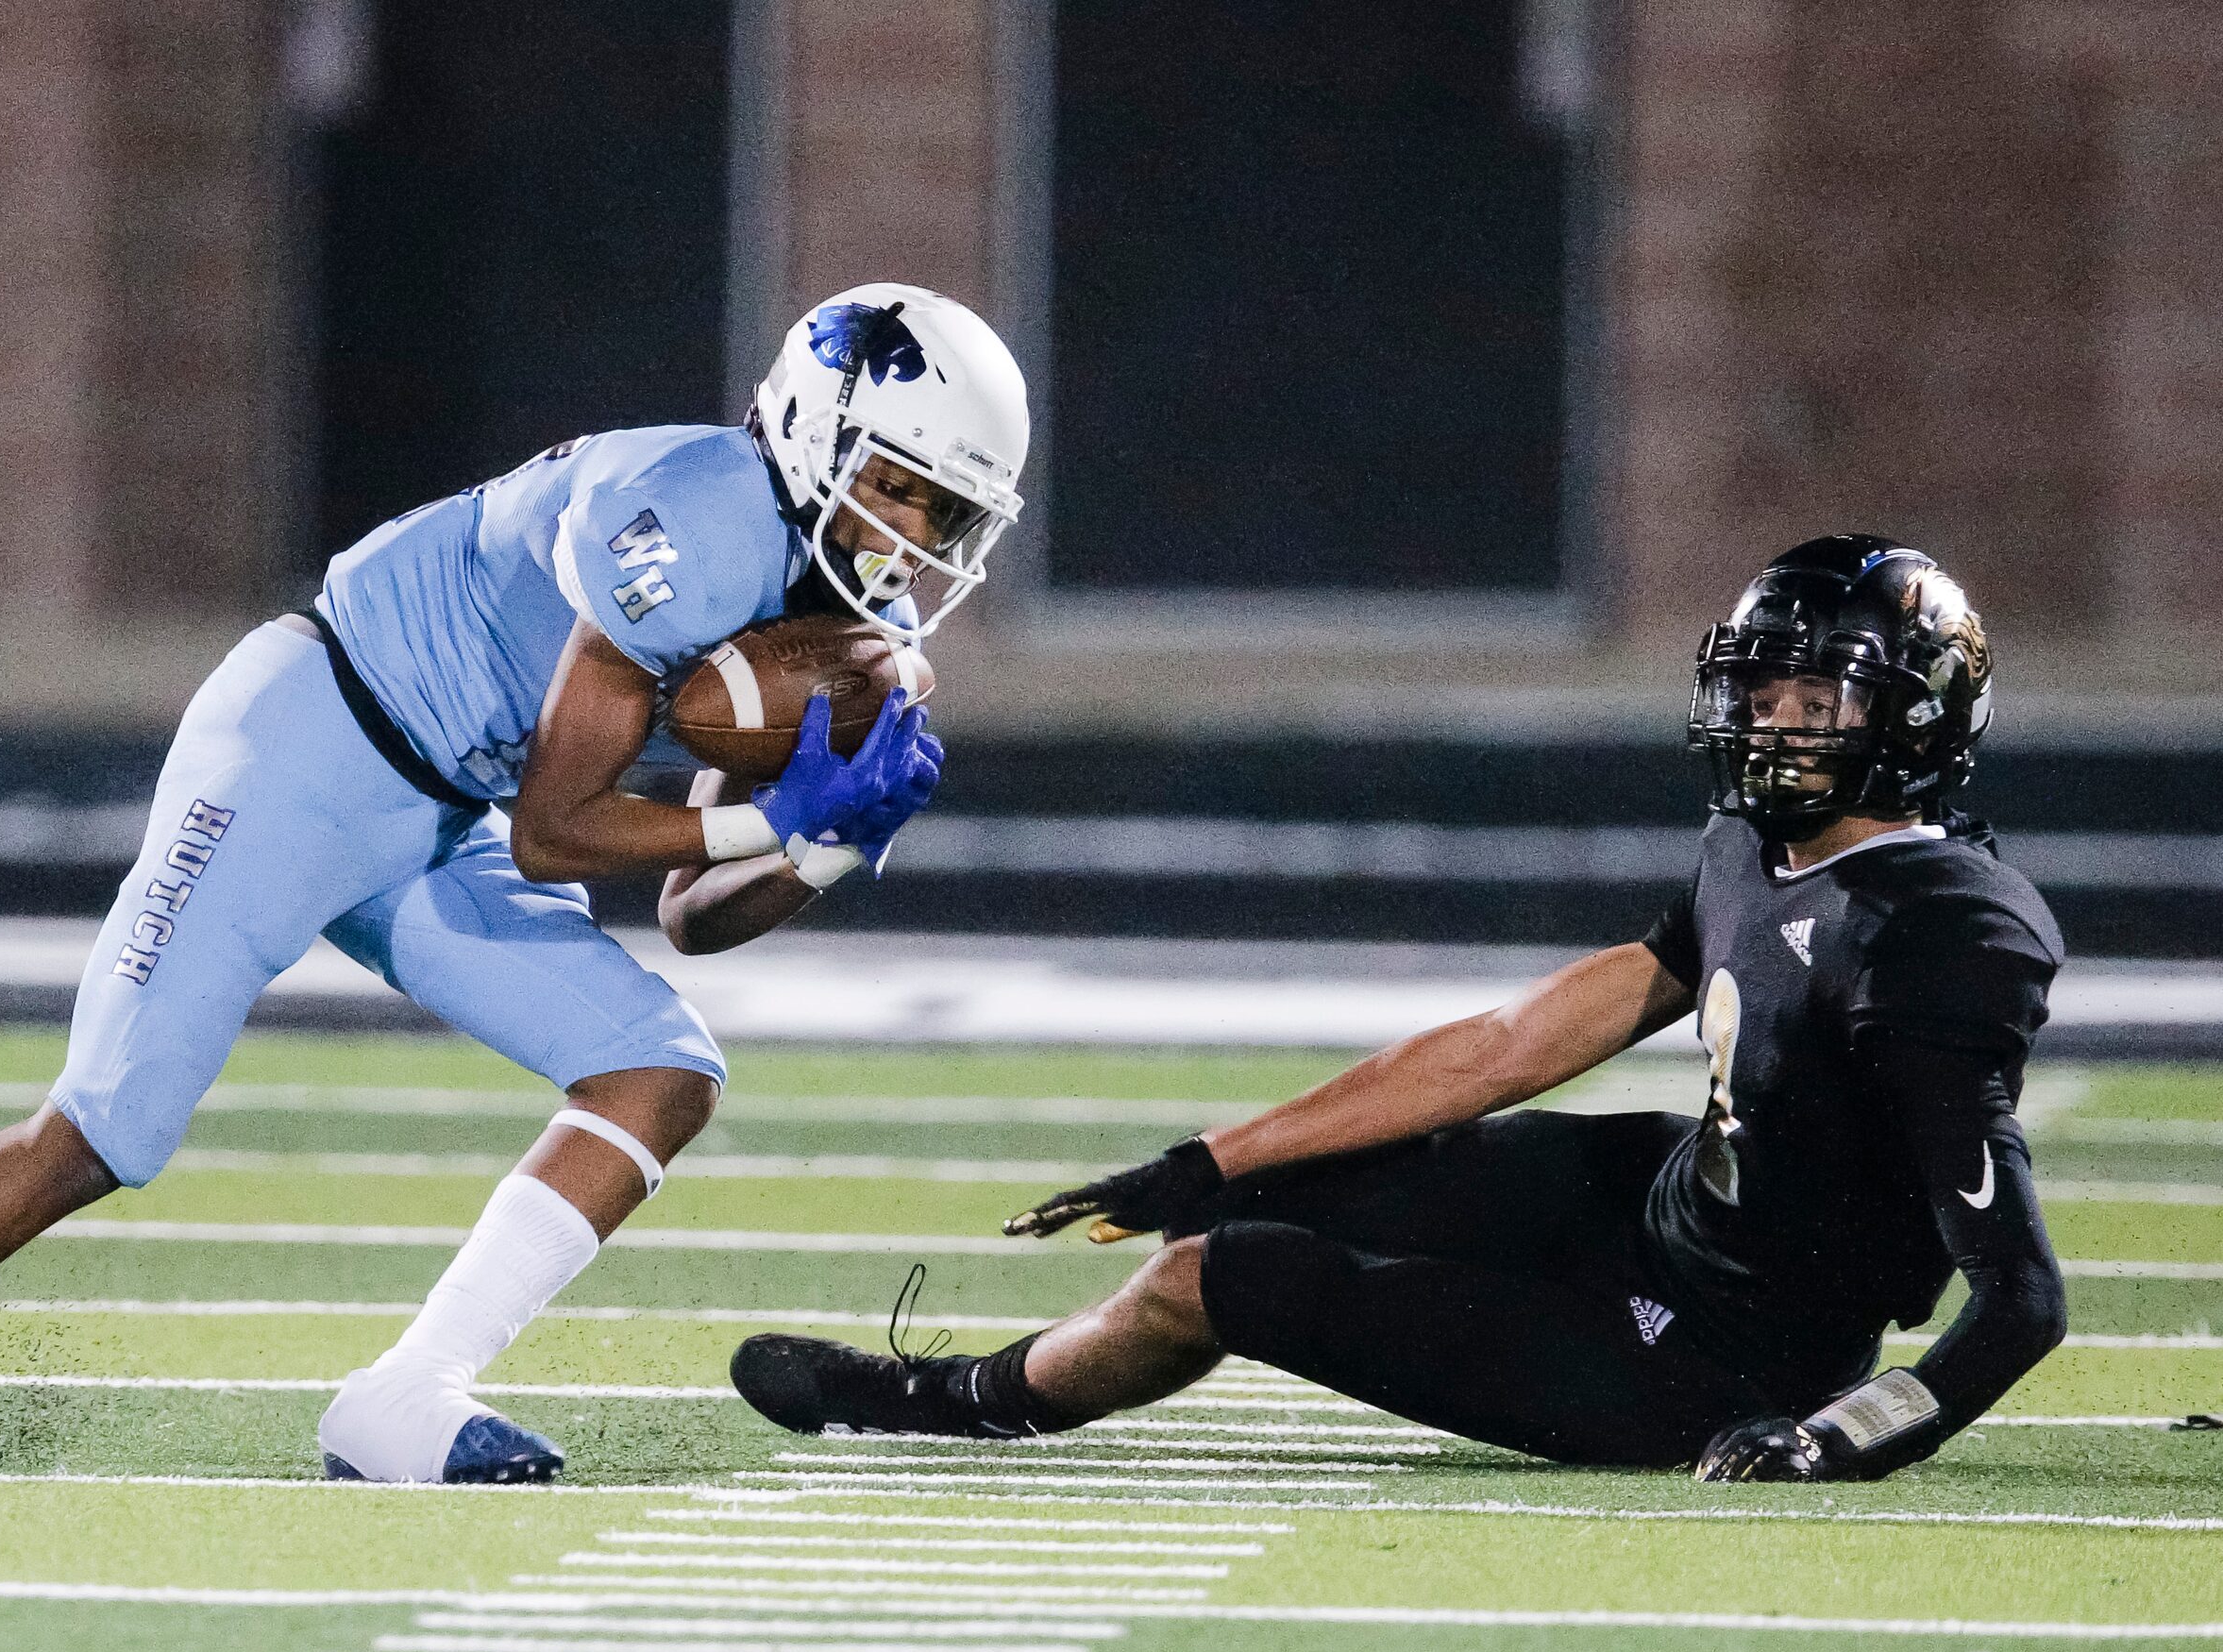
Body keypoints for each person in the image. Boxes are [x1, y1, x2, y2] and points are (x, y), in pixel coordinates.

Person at [0, 282, 1029, 1485]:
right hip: (310, 743)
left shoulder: (859, 633)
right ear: (814, 428)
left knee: (656, 1066)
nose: (912, 538)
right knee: (104, 1127)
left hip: (439, 808)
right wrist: (764, 823)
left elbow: (694, 919)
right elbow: (563, 832)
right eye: (900, 486)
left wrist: (827, 841)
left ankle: (404, 1396)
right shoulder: (682, 513)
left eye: (945, 510)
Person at [733, 536, 2067, 1482]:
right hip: (1659, 1201)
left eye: (1814, 699)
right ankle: (1146, 1253)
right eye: (1757, 693)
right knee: (1246, 1200)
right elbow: (1510, 1046)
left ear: (1915, 716)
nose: (1771, 727)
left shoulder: (1937, 929)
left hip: (1729, 1354)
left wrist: (1842, 1432)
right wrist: (1213, 1155)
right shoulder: (1752, 844)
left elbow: (2020, 1299)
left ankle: (937, 1402)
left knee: (1217, 1274)